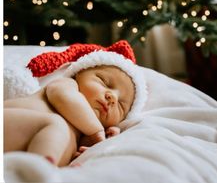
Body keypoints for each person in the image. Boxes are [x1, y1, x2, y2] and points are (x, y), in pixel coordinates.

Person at [4, 40, 147, 167]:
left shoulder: (84, 133)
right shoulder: (69, 85)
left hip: (18, 150)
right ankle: (35, 172)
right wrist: (97, 131)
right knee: (56, 123)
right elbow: (61, 95)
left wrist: (104, 140)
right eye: (104, 82)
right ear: (80, 72)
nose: (113, 98)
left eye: (121, 105)